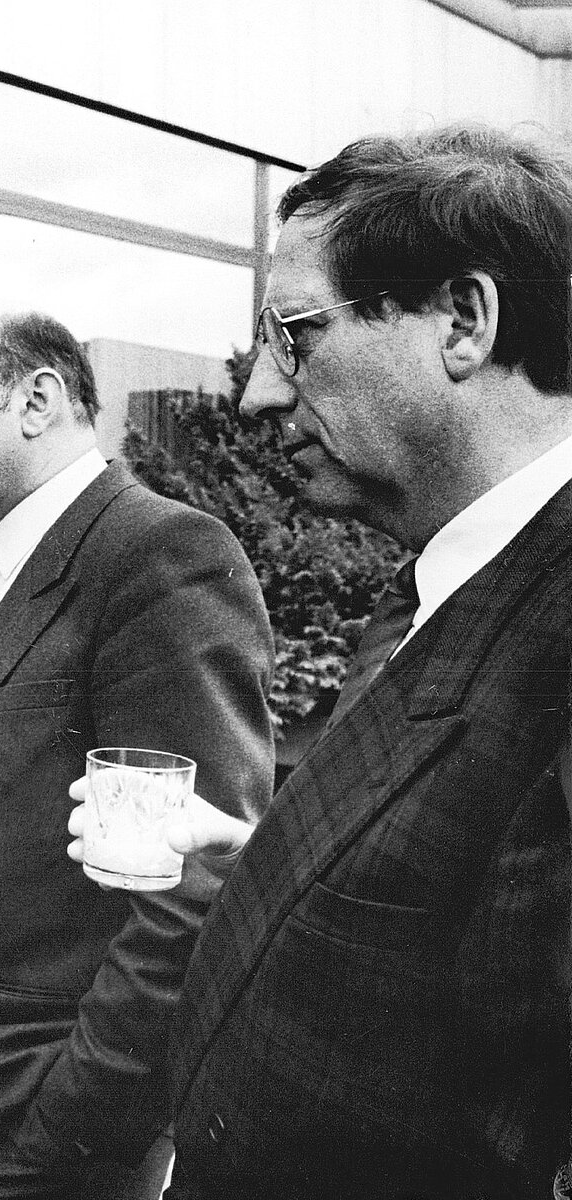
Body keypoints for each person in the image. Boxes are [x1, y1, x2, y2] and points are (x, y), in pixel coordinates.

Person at [65, 125, 572, 1199]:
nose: (257, 393)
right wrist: (268, 862)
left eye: (296, 334)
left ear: (465, 322)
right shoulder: (438, 584)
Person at [0, 309, 275, 1200]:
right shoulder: (8, 562)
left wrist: (68, 1131)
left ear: (38, 400)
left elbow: (195, 879)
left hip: (35, 1144)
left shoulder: (158, 555)